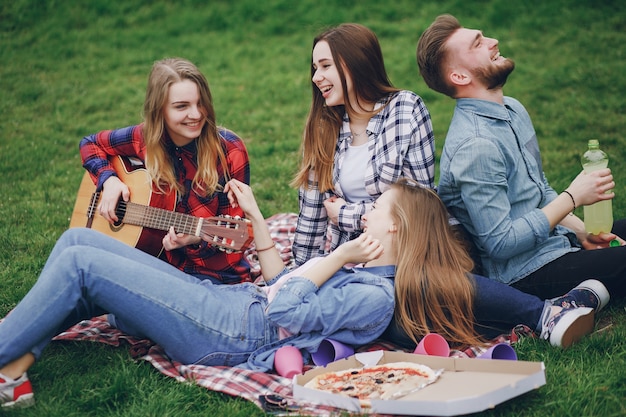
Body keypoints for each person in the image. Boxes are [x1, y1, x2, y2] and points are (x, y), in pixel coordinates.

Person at [0, 178, 607, 409]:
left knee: (81, 260)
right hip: (228, 307)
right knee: (80, 241)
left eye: (377, 211)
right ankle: (16, 369)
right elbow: (278, 289)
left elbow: (284, 307)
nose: (366, 216)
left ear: (396, 228)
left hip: (224, 333)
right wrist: (276, 232)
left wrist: (336, 257)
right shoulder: (367, 280)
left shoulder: (375, 298)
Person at [416, 14, 626, 299]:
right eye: (479, 43)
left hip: (556, 240)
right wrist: (573, 197)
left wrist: (581, 231)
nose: (493, 42)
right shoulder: (476, 147)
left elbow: (538, 189)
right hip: (524, 273)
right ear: (460, 76)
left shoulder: (512, 109)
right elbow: (501, 243)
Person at [79, 58, 251, 285]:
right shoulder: (145, 139)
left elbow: (237, 234)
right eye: (182, 106)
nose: (197, 114)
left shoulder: (229, 151)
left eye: (200, 103)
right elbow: (90, 143)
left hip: (215, 277)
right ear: (159, 110)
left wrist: (195, 238)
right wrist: (109, 181)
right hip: (157, 264)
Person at [291, 23, 437, 266]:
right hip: (346, 260)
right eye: (315, 68)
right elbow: (312, 212)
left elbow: (419, 206)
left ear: (355, 64)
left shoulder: (404, 109)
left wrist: (346, 215)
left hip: (405, 259)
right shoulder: (323, 126)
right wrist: (298, 276)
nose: (316, 77)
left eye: (326, 66)